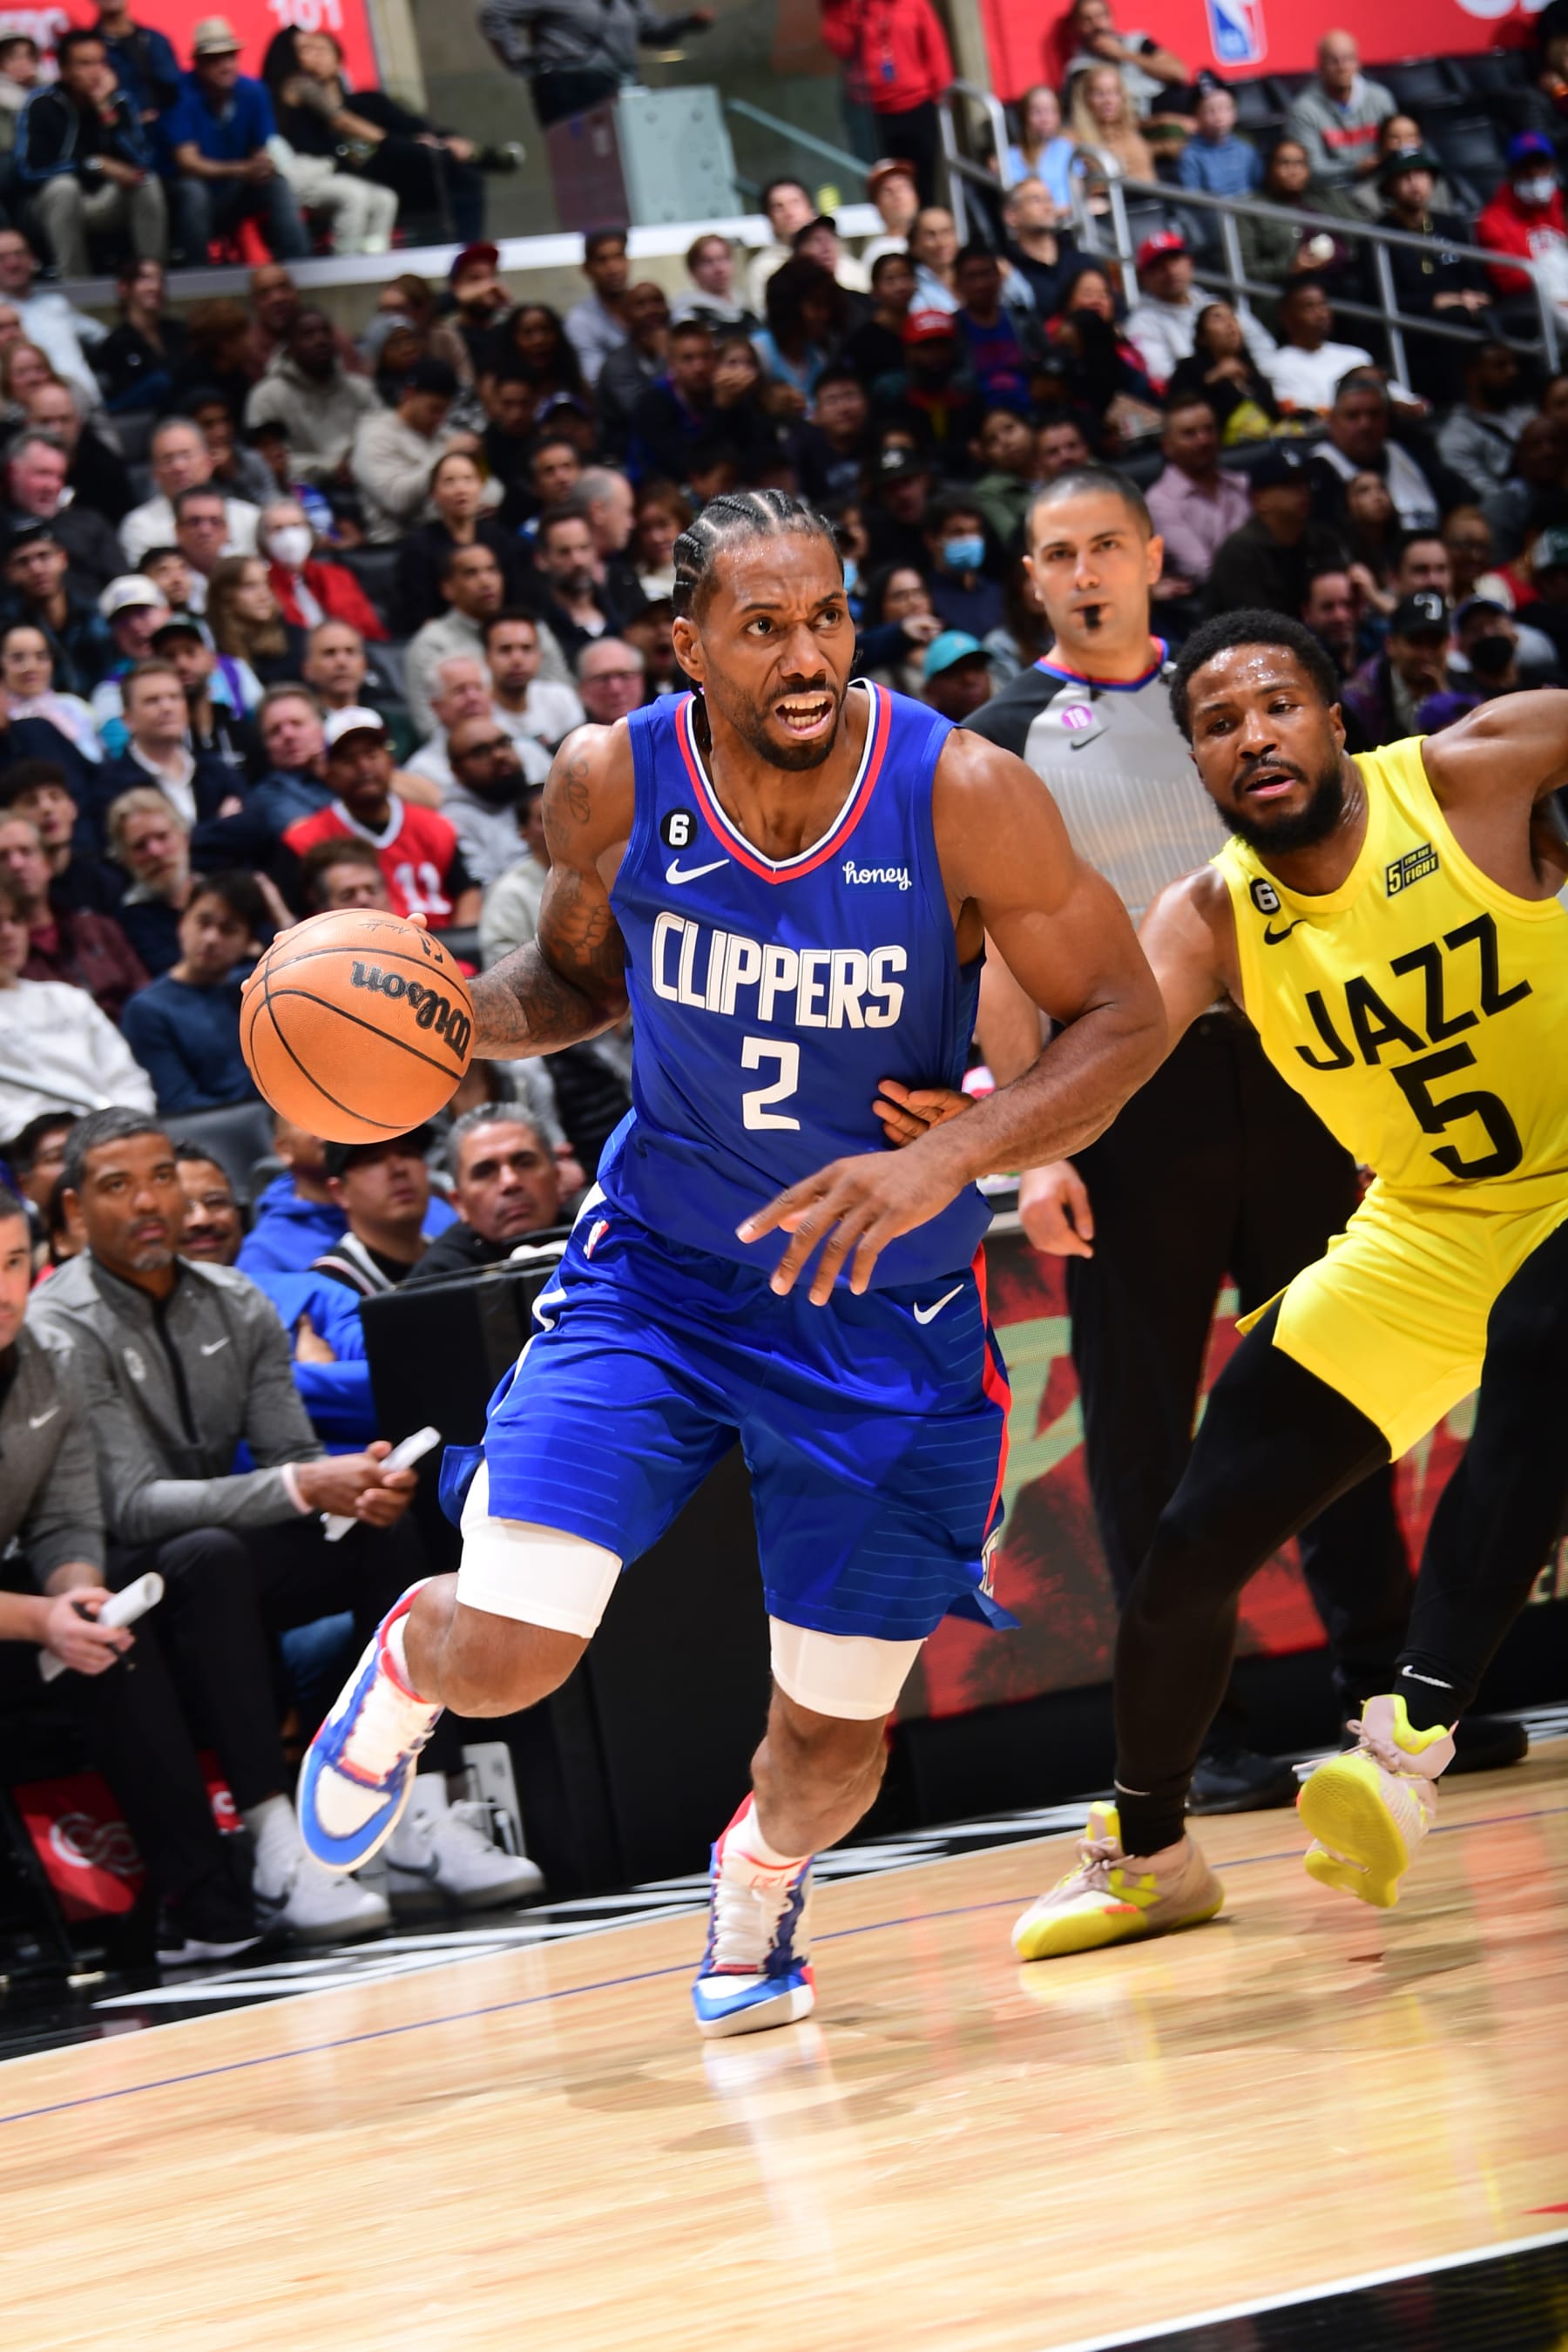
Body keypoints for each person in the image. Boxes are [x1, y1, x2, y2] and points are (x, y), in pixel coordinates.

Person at [290, 485, 1165, 2040]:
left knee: (834, 1749)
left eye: (827, 615)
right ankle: (409, 1660)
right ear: (687, 644)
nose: (808, 653)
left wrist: (954, 1149)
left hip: (883, 1318)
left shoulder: (964, 791)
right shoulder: (606, 786)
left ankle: (758, 1882)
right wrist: (429, 1020)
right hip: (664, 1279)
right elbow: (572, 985)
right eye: (764, 628)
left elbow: (1124, 1017)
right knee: (509, 1656)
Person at [1007, 618, 1568, 1955]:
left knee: (1546, 1328)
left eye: (1277, 705)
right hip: (1429, 1227)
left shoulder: (1479, 771)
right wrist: (979, 1146)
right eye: (1217, 720)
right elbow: (1089, 1065)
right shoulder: (1206, 919)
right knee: (1192, 1542)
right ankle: (1149, 1857)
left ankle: (1407, 1742)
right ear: (1193, 756)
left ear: (1335, 716)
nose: (1253, 734)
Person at [964, 466, 1418, 1808]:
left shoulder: (1238, 695)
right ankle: (1196, 1740)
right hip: (1120, 1102)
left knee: (1340, 1383)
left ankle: (1390, 1699)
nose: (1089, 569)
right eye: (1061, 552)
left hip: (1293, 1075)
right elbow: (996, 959)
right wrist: (1038, 1151)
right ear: (1033, 580)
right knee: (1145, 1428)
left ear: (1157, 554)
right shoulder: (1002, 734)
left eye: (1110, 543)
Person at [30, 1107, 530, 1934]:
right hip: (116, 1570)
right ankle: (274, 1841)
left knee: (382, 1529)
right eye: (119, 1187)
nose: (153, 1203)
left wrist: (355, 1491)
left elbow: (288, 1451)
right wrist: (306, 1485)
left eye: (162, 1177)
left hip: (221, 1545)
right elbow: (131, 1504)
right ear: (77, 1210)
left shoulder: (236, 1300)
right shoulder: (60, 1323)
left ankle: (410, 1803)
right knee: (209, 1556)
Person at [0, 1182, 267, 1964]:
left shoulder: (47, 1362)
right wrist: (39, 1620)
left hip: (14, 1610)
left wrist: (75, 1596)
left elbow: (64, 1517)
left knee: (112, 1638)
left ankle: (200, 1901)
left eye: (14, 1261)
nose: (2, 1288)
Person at [281, 706, 481, 926]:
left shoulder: (435, 826)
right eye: (349, 759)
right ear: (328, 771)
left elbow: (467, 895)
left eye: (371, 754)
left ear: (390, 761)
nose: (364, 767)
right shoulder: (304, 841)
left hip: (439, 948)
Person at [0, 869, 153, 1132]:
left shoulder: (67, 997)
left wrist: (127, 1126)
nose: (7, 933)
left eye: (15, 920)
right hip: (40, 1147)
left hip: (114, 1132)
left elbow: (127, 1078)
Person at [15, 28, 167, 280]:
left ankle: (150, 280)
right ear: (64, 70)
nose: (96, 71)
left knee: (146, 181)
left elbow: (142, 161)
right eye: (85, 64)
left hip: (105, 201)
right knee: (64, 188)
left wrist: (105, 109)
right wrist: (93, 165)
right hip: (49, 206)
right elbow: (29, 169)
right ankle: (78, 287)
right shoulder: (42, 104)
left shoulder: (118, 102)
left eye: (101, 62)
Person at [163, 16, 309, 267]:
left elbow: (259, 149)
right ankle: (195, 276)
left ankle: (300, 267)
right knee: (193, 191)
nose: (226, 65)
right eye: (215, 60)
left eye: (230, 56)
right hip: (190, 192)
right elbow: (188, 162)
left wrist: (262, 166)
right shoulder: (180, 93)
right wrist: (243, 168)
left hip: (234, 189)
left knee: (276, 183)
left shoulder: (254, 91)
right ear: (198, 63)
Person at [119, 869, 264, 1112]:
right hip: (227, 1134)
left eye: (228, 929)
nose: (210, 938)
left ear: (249, 942)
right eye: (203, 922)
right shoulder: (148, 1009)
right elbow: (180, 1105)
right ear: (182, 923)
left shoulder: (255, 987)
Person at [480, 0, 712, 135]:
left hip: (619, 88)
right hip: (568, 90)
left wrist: (687, 23)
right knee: (581, 163)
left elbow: (653, 30)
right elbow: (495, 15)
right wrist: (521, 59)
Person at [0, 807, 143, 1018]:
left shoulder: (98, 928)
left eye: (26, 851)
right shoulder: (7, 953)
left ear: (47, 864)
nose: (17, 864)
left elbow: (144, 993)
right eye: (3, 857)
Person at [408, 1108, 567, 1281]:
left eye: (525, 1163)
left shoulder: (595, 1240)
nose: (510, 1182)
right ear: (459, 1203)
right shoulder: (436, 1280)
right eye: (484, 1172)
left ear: (557, 1179)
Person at [819, 0, 952, 204]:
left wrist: (942, 93)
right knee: (882, 186)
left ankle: (922, 228)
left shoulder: (915, 4)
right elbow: (839, 45)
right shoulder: (854, 7)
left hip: (917, 104)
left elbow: (935, 48)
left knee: (924, 182)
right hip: (871, 112)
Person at [1205, 447, 1345, 621]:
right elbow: (1256, 626)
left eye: (1305, 482)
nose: (1303, 491)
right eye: (1290, 485)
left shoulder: (1323, 540)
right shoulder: (1240, 552)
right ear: (1259, 499)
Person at [1125, 229, 1273, 394]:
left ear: (1189, 262)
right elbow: (1162, 377)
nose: (1170, 270)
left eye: (1175, 260)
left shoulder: (1214, 304)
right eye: (1158, 266)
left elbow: (1262, 346)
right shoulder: (1141, 323)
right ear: (1143, 277)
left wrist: (1255, 380)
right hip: (1193, 402)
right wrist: (1214, 376)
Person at [244, 306, 378, 487]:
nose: (320, 340)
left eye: (325, 332)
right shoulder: (266, 396)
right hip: (301, 492)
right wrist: (331, 468)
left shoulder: (360, 388)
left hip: (364, 484)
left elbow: (385, 440)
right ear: (289, 346)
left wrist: (357, 463)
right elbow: (265, 460)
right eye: (308, 335)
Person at [1145, 395, 1251, 599]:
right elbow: (1203, 570)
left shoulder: (1241, 484)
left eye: (1209, 430)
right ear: (1167, 446)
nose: (1203, 440)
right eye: (1189, 434)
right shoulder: (1160, 501)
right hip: (1216, 604)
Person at [120, 416, 259, 571]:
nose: (179, 467)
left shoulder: (249, 517)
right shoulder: (140, 526)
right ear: (155, 472)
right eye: (167, 459)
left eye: (186, 455)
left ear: (208, 462)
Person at [351, 355, 462, 547]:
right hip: (399, 542)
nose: (440, 419)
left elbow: (489, 488)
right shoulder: (375, 435)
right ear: (409, 395)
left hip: (451, 535)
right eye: (434, 409)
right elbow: (395, 500)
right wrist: (445, 459)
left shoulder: (446, 436)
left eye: (445, 411)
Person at [3, 435, 124, 605]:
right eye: (42, 473)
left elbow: (122, 583)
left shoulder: (90, 523)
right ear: (12, 472)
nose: (52, 486)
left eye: (59, 476)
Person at [405, 540, 508, 738]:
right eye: (471, 573)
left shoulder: (527, 630)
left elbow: (558, 688)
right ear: (448, 589)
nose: (486, 582)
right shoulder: (429, 644)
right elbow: (428, 725)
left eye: (492, 570)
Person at [1, 520, 112, 694]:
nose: (36, 569)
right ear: (9, 572)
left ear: (63, 559)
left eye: (44, 556)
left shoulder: (93, 615)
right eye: (23, 562)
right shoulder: (5, 627)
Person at [441, 712, 550, 886]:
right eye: (481, 752)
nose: (499, 755)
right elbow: (488, 891)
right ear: (457, 771)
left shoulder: (541, 789)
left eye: (503, 743)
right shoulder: (454, 821)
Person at [1282, 30, 1395, 190]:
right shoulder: (1303, 109)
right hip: (1331, 193)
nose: (1342, 67)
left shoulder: (1380, 98)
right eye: (1333, 61)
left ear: (1358, 63)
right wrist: (1355, 167)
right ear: (1320, 66)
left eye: (1348, 59)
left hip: (1381, 186)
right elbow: (1311, 169)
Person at [1340, 588, 1450, 747]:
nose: (1426, 654)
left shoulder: (1462, 685)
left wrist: (1446, 707)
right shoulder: (1358, 700)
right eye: (1416, 642)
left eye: (1435, 643)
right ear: (1390, 644)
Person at [261, 504, 386, 641]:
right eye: (277, 528)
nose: (289, 536)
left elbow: (369, 628)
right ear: (264, 538)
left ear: (309, 531)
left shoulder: (338, 576)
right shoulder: (263, 585)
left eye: (296, 526)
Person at [105, 785, 193, 974]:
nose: (155, 852)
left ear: (184, 836)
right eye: (140, 846)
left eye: (162, 837)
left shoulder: (222, 891)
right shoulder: (127, 926)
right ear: (124, 859)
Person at [483, 607, 584, 752]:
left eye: (526, 648)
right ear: (487, 657)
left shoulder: (562, 698)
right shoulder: (477, 713)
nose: (517, 660)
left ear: (540, 655)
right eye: (505, 649)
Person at [95, 253, 186, 411]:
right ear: (124, 287)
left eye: (160, 280)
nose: (155, 287)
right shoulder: (115, 344)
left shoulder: (179, 330)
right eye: (145, 279)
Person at [562, 227, 631, 390]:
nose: (613, 269)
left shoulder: (649, 308)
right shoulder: (580, 321)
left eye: (618, 257)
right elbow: (597, 381)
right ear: (587, 269)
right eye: (602, 260)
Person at [672, 233, 756, 335]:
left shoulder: (747, 311)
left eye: (723, 259)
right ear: (693, 271)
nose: (719, 269)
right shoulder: (688, 316)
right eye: (708, 262)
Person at [920, 627, 991, 721]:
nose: (969, 679)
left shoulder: (1008, 725)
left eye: (977, 668)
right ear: (930, 690)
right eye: (954, 672)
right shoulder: (923, 734)